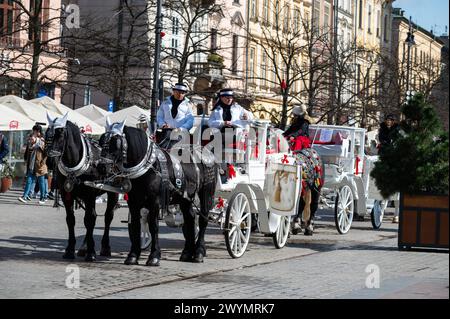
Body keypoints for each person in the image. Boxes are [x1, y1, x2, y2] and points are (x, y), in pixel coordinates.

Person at [208, 89, 254, 183]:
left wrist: (247, 116)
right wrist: (223, 122)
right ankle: (218, 167)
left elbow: (250, 116)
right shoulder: (217, 110)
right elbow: (210, 123)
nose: (229, 100)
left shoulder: (237, 108)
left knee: (217, 142)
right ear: (221, 98)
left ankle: (219, 168)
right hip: (220, 132)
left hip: (234, 133)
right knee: (217, 141)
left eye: (231, 98)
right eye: (227, 98)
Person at [377, 114, 400, 223]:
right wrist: (385, 144)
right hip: (384, 153)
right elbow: (381, 138)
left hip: (395, 154)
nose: (388, 122)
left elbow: (400, 139)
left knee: (398, 192)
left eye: (390, 120)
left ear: (393, 121)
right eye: (387, 120)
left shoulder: (398, 129)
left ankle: (396, 214)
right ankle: (380, 211)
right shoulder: (382, 128)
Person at [156, 83, 194, 148]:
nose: (180, 94)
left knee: (177, 152)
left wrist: (181, 128)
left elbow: (190, 120)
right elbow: (159, 116)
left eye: (182, 93)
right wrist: (163, 125)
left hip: (181, 134)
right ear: (174, 92)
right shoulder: (165, 103)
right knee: (162, 150)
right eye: (178, 92)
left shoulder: (188, 105)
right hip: (166, 132)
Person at [18, 125, 48, 204]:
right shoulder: (32, 139)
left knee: (41, 182)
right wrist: (31, 143)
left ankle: (42, 198)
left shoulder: (42, 141)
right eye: (33, 131)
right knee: (29, 180)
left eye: (35, 131)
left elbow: (45, 153)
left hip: (40, 165)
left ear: (38, 132)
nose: (34, 132)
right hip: (32, 164)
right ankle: (24, 196)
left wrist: (42, 163)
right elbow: (29, 149)